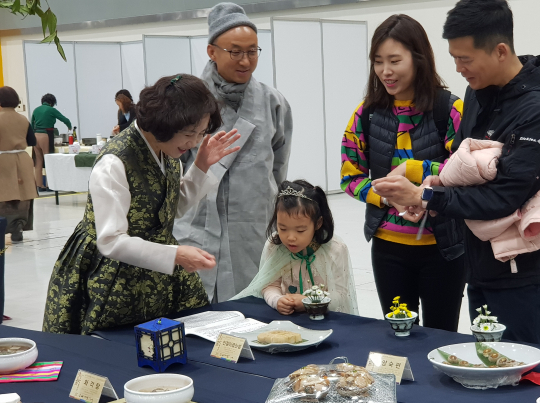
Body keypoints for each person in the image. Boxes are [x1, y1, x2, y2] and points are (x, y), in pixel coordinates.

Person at [372, 0, 540, 345]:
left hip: (524, 273)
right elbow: (461, 166)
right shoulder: (478, 94)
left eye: (465, 59)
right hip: (481, 266)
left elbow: (504, 197)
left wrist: (425, 194)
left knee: (521, 375)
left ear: (500, 51)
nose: (459, 68)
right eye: (454, 57)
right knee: (488, 371)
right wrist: (436, 184)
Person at [42, 74, 241, 335]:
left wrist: (201, 165)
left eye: (200, 133)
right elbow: (111, 240)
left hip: (156, 262)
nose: (194, 143)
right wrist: (176, 255)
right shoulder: (115, 161)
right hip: (112, 269)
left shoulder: (167, 151)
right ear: (164, 123)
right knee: (117, 345)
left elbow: (171, 207)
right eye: (190, 133)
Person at [340, 14, 465, 331]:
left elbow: (465, 173)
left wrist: (416, 171)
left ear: (418, 58)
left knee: (440, 337)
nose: (385, 71)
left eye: (395, 60)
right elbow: (350, 177)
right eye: (378, 61)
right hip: (389, 249)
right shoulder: (366, 114)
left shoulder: (449, 109)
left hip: (444, 249)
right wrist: (387, 200)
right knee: (398, 338)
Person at [173, 2, 293, 303]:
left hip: (252, 226)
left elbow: (278, 170)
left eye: (252, 51)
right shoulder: (187, 101)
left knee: (254, 306)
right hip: (198, 225)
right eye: (235, 51)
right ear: (212, 51)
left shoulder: (273, 103)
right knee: (198, 314)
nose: (245, 61)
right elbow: (173, 168)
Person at [232, 180, 358, 316]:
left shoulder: (335, 250)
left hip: (324, 318)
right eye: (283, 228)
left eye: (300, 230)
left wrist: (310, 301)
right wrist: (277, 300)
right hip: (287, 317)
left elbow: (341, 295)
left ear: (318, 223)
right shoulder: (275, 245)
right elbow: (269, 285)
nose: (290, 237)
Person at [0, 86, 38, 242]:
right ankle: (18, 228)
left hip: (3, 160)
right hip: (22, 160)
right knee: (23, 195)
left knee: (4, 194)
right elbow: (31, 141)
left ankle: (3, 226)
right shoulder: (23, 119)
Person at [31, 93, 72, 188]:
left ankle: (39, 185)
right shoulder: (51, 109)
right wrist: (70, 129)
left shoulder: (36, 110)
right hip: (46, 135)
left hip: (36, 135)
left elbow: (32, 124)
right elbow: (65, 120)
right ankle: (50, 185)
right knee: (48, 160)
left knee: (38, 161)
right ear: (52, 102)